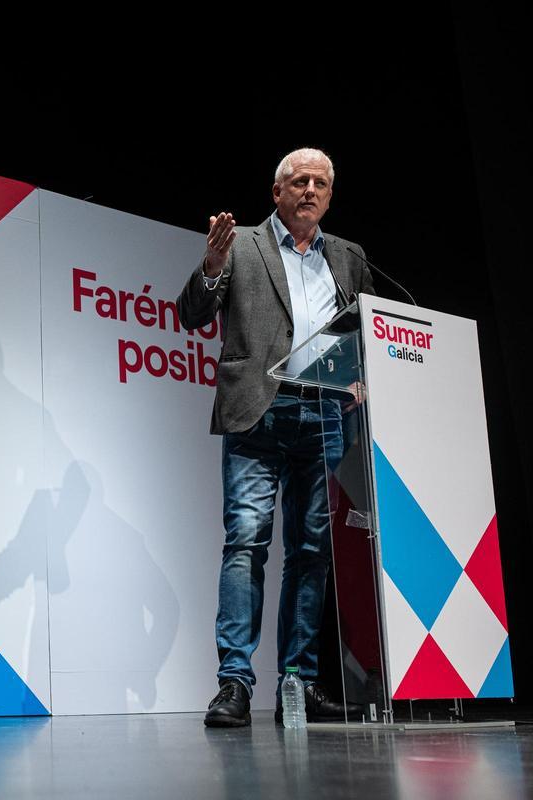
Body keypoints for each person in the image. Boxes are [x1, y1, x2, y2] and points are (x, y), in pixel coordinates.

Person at [177, 148, 371, 727]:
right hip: (257, 411)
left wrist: (361, 374)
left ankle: (298, 683)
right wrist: (212, 264)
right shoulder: (243, 245)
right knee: (248, 542)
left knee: (312, 553)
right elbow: (192, 314)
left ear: (330, 196)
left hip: (325, 413)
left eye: (320, 183)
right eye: (298, 181)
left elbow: (363, 328)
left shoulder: (351, 257)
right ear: (277, 192)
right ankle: (234, 683)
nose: (309, 189)